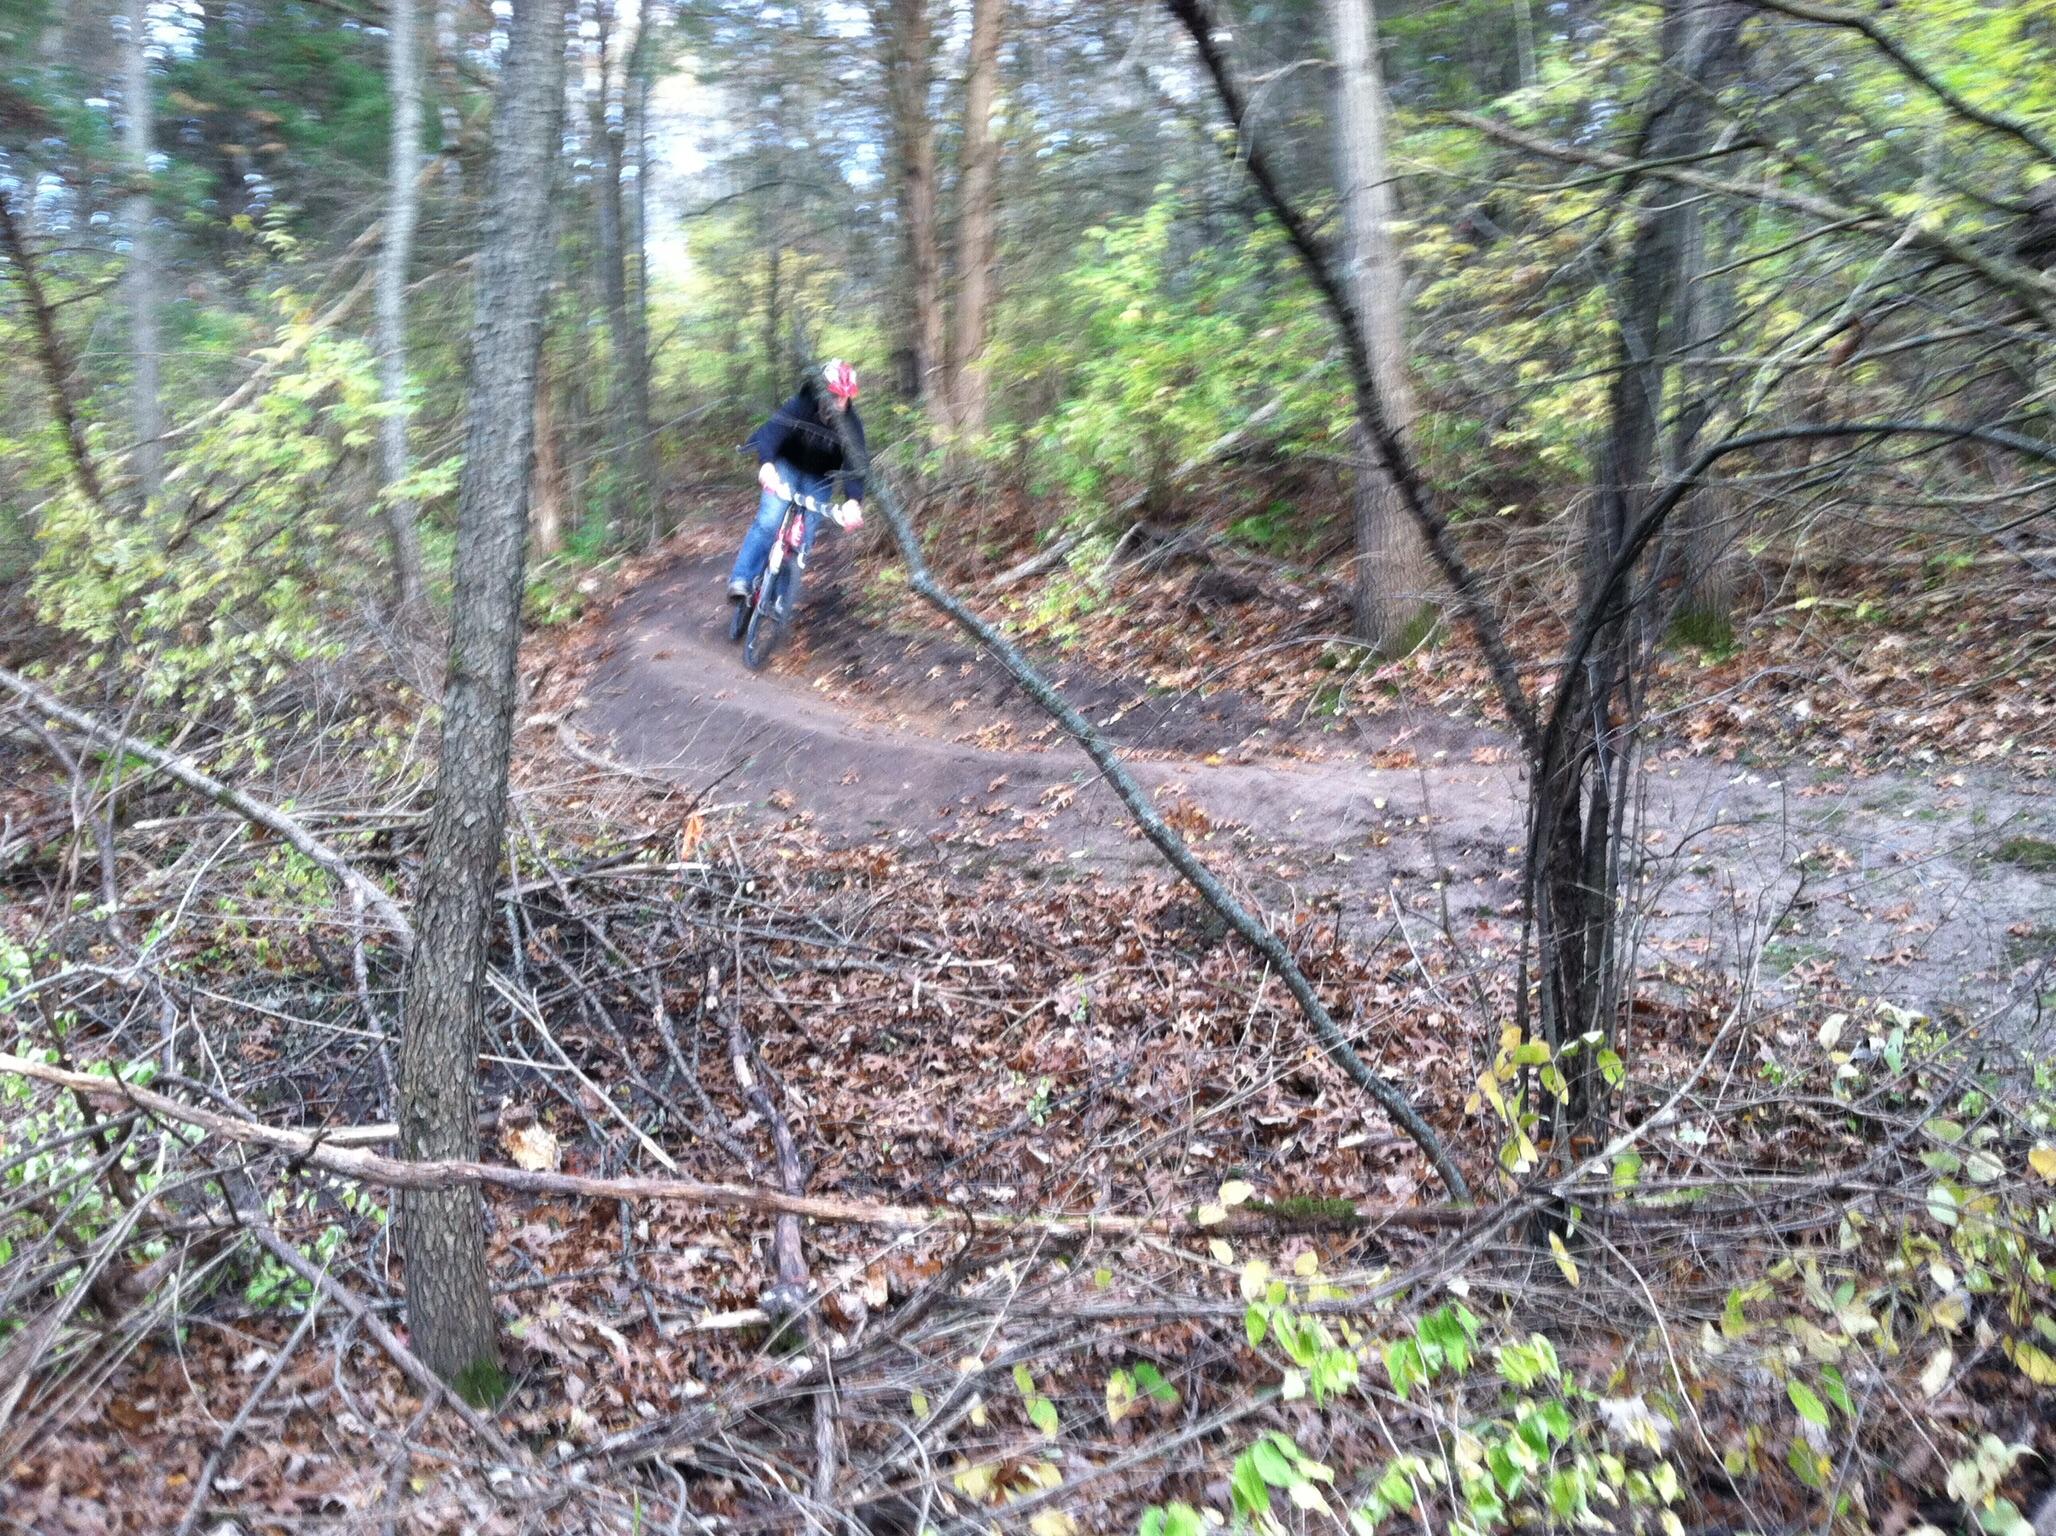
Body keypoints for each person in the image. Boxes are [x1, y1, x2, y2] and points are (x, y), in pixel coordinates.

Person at [727, 360, 867, 603]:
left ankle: (780, 600)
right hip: (786, 465)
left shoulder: (851, 425)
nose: (839, 403)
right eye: (834, 395)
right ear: (823, 390)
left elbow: (856, 465)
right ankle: (742, 578)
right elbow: (773, 431)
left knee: (804, 538)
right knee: (770, 520)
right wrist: (767, 464)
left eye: (844, 398)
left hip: (820, 478)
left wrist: (853, 500)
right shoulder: (802, 405)